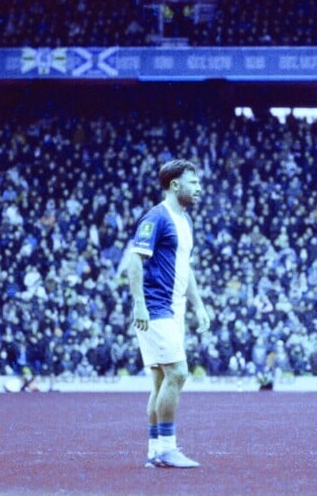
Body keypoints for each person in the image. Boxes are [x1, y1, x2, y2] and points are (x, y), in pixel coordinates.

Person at [127, 159, 211, 469]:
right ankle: (167, 448)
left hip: (174, 309)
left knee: (161, 381)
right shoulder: (156, 217)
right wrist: (139, 304)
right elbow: (135, 259)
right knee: (178, 373)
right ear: (175, 185)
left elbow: (185, 268)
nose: (199, 187)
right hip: (155, 307)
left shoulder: (186, 221)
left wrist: (199, 305)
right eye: (193, 182)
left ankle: (154, 451)